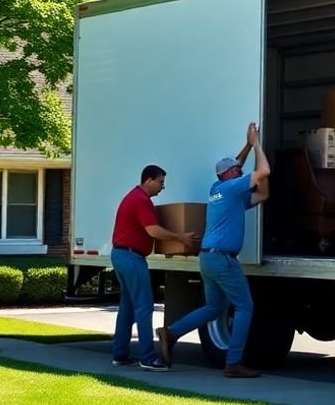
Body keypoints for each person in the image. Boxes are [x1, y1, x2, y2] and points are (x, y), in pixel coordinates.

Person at [158, 122, 270, 378]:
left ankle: (171, 333)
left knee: (213, 308)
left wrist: (246, 146)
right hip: (223, 260)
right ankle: (233, 363)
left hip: (208, 258)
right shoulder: (231, 189)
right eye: (237, 170)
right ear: (230, 173)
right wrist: (256, 144)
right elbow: (264, 171)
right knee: (245, 307)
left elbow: (263, 194)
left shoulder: (219, 191)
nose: (240, 170)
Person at [111, 164, 197, 371]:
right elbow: (153, 230)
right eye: (161, 182)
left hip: (122, 255)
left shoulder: (134, 197)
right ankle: (147, 358)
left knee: (128, 308)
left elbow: (147, 232)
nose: (162, 187)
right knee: (144, 307)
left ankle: (120, 354)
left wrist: (169, 245)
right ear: (148, 180)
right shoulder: (141, 200)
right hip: (131, 258)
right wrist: (180, 239)